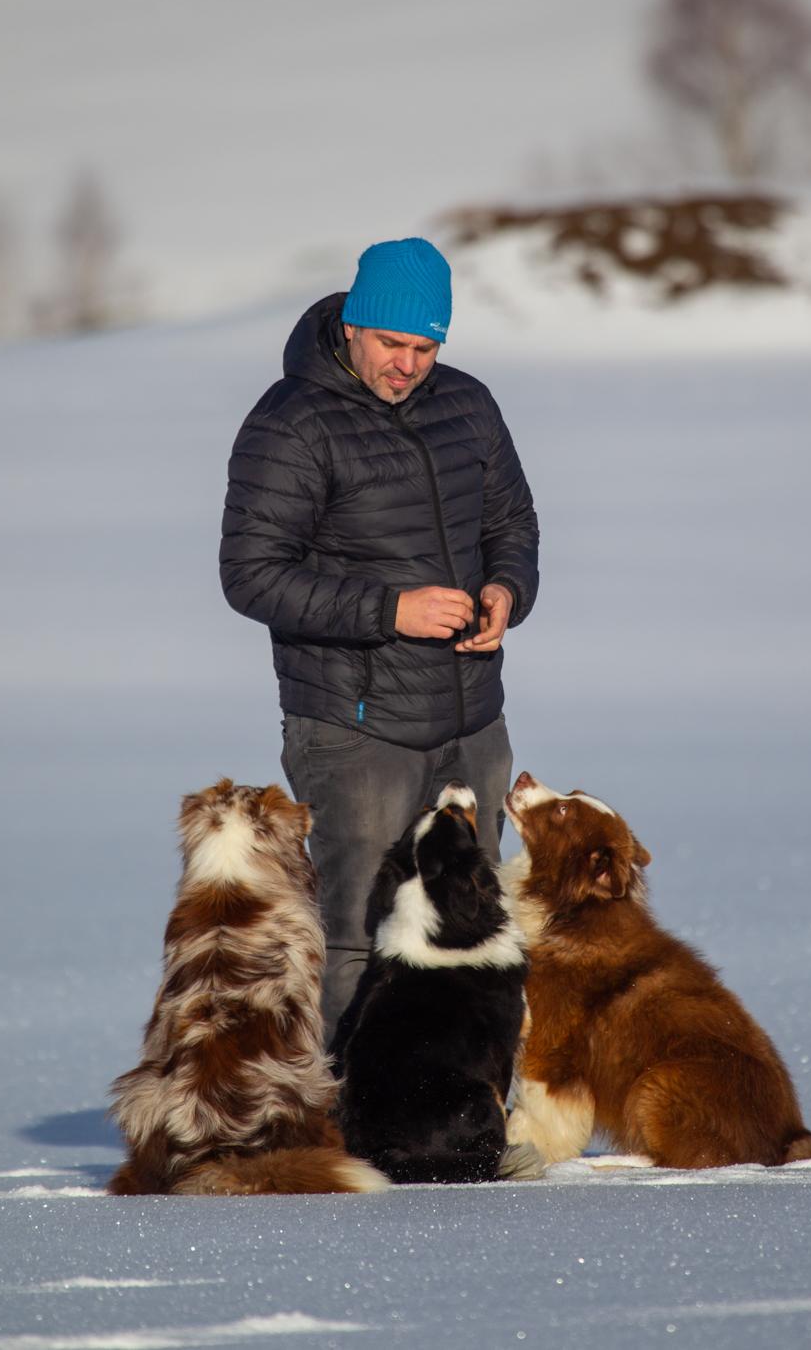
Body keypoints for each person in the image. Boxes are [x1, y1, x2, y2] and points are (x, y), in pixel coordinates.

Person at [220, 236, 539, 1039]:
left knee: (474, 925)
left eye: (425, 347)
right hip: (354, 733)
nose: (407, 364)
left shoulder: (468, 404)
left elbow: (512, 523)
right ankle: (349, 1124)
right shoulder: (291, 423)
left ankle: (463, 1112)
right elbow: (251, 574)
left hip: (471, 720)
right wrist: (389, 611)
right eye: (392, 344)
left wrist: (508, 591)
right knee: (357, 935)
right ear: (355, 327)